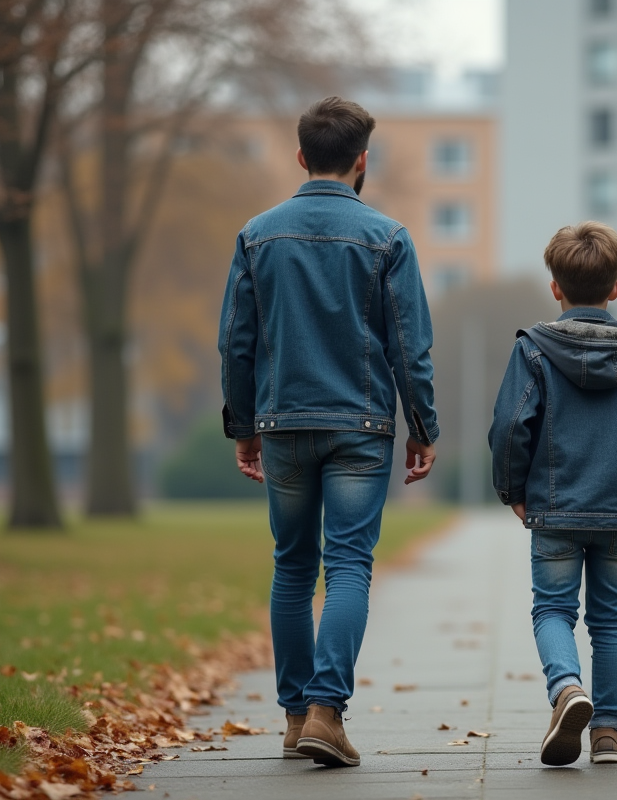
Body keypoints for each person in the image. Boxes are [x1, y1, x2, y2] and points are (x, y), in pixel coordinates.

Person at [218, 96, 439, 768]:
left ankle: (294, 719)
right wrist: (422, 425)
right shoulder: (389, 238)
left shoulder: (257, 234)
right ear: (362, 160)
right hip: (361, 426)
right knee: (348, 566)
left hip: (283, 422)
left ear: (300, 156)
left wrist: (243, 427)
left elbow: (237, 343)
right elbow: (411, 344)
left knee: (292, 566)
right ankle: (325, 711)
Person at [488, 221, 617, 766]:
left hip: (554, 506)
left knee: (552, 608)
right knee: (611, 617)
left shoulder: (533, 351)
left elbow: (509, 425)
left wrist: (511, 490)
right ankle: (607, 733)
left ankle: (567, 688)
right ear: (616, 288)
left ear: (555, 287)